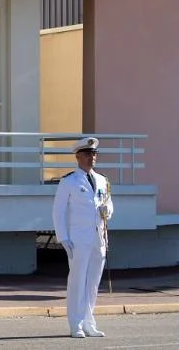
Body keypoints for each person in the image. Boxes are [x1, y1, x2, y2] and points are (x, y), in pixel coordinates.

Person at [52, 137, 113, 338]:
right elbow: (58, 212)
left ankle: (89, 322)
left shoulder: (102, 180)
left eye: (94, 154)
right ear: (78, 156)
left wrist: (107, 210)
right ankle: (75, 324)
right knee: (78, 281)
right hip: (78, 239)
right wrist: (63, 238)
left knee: (93, 282)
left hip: (98, 238)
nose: (91, 158)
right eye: (87, 154)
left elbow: (108, 204)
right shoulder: (69, 181)